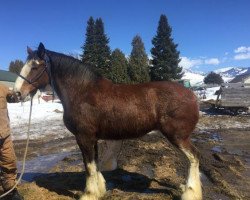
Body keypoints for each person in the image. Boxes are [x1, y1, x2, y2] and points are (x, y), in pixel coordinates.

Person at [0, 83, 23, 200]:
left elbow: (13, 97)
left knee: (9, 162)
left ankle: (10, 190)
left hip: (4, 135)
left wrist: (18, 94)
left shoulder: (2, 87)